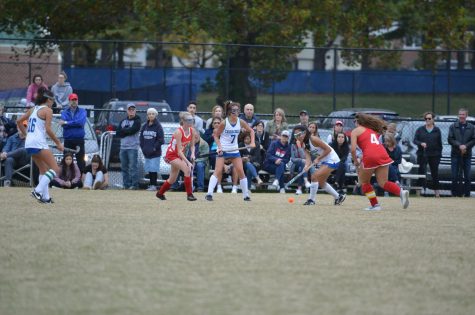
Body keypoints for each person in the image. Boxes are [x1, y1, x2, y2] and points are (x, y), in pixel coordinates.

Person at [350, 113, 409, 211]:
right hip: (382, 153)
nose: (354, 124)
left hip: (370, 156)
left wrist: (356, 161)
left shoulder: (355, 131)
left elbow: (352, 149)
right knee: (383, 182)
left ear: (357, 122)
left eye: (354, 121)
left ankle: (375, 205)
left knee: (364, 182)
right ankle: (401, 192)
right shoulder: (372, 130)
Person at [16, 90, 64, 203]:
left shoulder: (33, 109)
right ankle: (37, 191)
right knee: (55, 169)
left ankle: (45, 198)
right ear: (48, 100)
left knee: (43, 170)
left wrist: (27, 134)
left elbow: (19, 121)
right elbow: (48, 129)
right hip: (38, 143)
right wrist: (58, 143)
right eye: (52, 100)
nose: (53, 103)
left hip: (29, 143)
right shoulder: (48, 110)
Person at [205, 101, 256, 201]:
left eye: (237, 110)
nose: (236, 112)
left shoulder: (240, 122)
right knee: (218, 171)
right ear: (229, 112)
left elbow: (251, 131)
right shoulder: (224, 123)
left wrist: (253, 142)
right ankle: (209, 194)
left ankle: (246, 195)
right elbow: (216, 135)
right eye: (234, 111)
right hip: (223, 150)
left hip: (234, 150)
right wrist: (219, 147)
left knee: (241, 171)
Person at [292, 125, 346, 206]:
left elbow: (328, 149)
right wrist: (306, 166)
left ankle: (311, 200)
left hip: (332, 159)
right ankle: (338, 197)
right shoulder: (303, 144)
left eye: (298, 134)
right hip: (325, 161)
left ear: (304, 133)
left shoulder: (313, 139)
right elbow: (308, 157)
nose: (297, 137)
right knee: (321, 182)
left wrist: (318, 158)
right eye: (295, 135)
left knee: (314, 177)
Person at [156, 112, 197, 201]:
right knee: (187, 169)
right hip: (172, 155)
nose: (191, 122)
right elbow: (178, 151)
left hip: (179, 155)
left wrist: (193, 154)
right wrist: (188, 162)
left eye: (192, 120)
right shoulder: (178, 132)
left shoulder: (192, 131)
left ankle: (160, 193)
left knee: (172, 179)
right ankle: (190, 195)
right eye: (189, 120)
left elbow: (192, 145)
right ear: (183, 121)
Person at [413, 111, 442, 197]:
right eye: (426, 119)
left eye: (429, 118)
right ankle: (419, 192)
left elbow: (439, 143)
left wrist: (439, 154)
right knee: (421, 172)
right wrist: (421, 143)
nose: (427, 120)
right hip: (422, 154)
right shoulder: (420, 129)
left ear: (433, 119)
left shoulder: (437, 130)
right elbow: (415, 140)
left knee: (435, 173)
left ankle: (437, 193)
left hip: (434, 155)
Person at [448, 108, 475, 197]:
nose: (461, 116)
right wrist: (459, 145)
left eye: (463, 114)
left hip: (467, 155)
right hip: (455, 154)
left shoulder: (472, 127)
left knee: (467, 176)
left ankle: (467, 195)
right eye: (460, 114)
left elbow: (474, 139)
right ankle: (454, 194)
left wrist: (466, 146)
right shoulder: (453, 126)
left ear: (466, 116)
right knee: (454, 176)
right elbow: (450, 139)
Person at [58, 93, 87, 172]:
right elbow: (63, 124)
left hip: (79, 140)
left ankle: (80, 181)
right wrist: (73, 123)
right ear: (69, 101)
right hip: (68, 140)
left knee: (81, 162)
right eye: (72, 100)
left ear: (77, 101)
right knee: (66, 162)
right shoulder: (64, 112)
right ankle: (66, 179)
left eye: (75, 100)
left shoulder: (83, 111)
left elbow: (81, 122)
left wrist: (67, 123)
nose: (74, 101)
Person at [116, 103, 141, 190]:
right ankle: (126, 185)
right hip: (123, 147)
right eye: (129, 109)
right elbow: (118, 133)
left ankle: (134, 185)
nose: (131, 111)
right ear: (127, 111)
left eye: (133, 109)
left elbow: (133, 130)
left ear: (135, 110)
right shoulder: (123, 121)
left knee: (133, 167)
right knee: (124, 167)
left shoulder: (137, 121)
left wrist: (124, 131)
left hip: (133, 148)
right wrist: (127, 131)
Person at [139, 107, 165, 191]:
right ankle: (151, 184)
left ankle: (154, 185)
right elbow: (141, 138)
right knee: (149, 169)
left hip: (155, 153)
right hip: (146, 152)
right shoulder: (144, 126)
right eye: (149, 114)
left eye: (153, 114)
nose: (151, 115)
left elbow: (161, 140)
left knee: (154, 169)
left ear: (155, 115)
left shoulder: (158, 126)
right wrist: (143, 148)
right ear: (147, 115)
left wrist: (154, 148)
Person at [203, 116, 224, 193]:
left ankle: (218, 185)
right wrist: (212, 136)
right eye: (215, 123)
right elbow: (205, 142)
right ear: (212, 124)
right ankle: (219, 185)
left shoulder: (224, 131)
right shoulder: (208, 131)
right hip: (212, 153)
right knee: (217, 159)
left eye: (218, 123)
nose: (217, 124)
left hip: (223, 151)